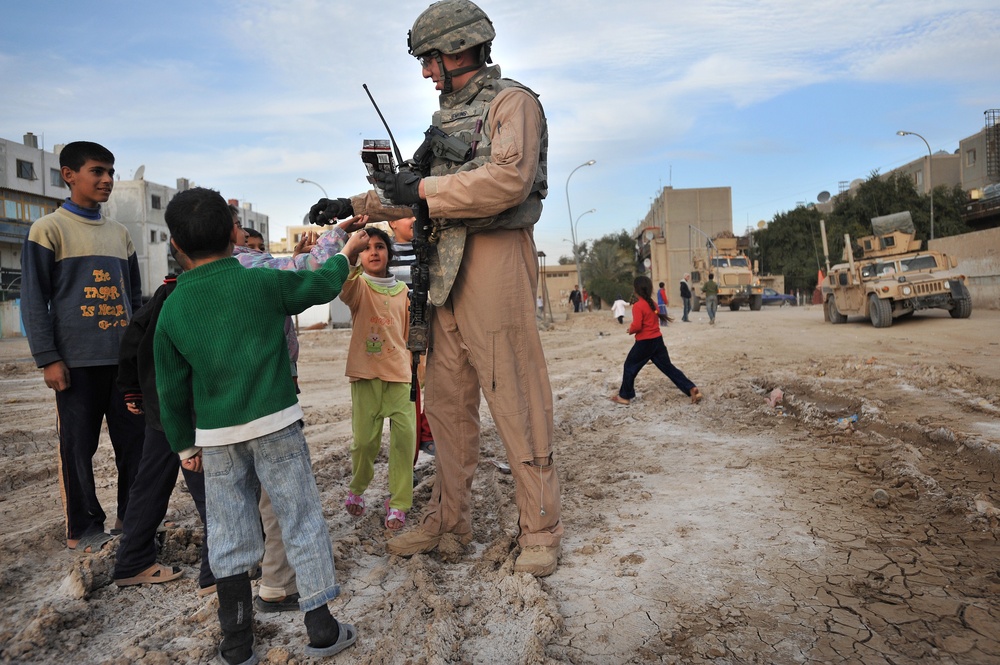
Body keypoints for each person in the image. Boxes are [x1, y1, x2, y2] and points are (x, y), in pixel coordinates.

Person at [310, 0, 563, 576]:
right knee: (446, 401)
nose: (426, 72)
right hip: (441, 261)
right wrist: (351, 205)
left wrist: (420, 189)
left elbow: (506, 180)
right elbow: (411, 184)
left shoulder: (512, 102)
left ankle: (541, 527)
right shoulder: (445, 118)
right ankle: (449, 521)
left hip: (494, 253)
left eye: (429, 59)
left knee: (515, 392)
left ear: (461, 48)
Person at [155, 187, 364, 663]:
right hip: (277, 423)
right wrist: (343, 256)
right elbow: (320, 285)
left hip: (217, 436)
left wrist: (184, 445)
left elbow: (170, 387)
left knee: (228, 532)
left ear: (175, 244)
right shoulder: (261, 281)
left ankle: (236, 643)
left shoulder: (173, 305)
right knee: (300, 518)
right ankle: (322, 629)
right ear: (233, 234)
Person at [20, 140, 144, 554]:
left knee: (134, 444)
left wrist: (140, 352)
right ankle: (84, 528)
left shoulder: (121, 234)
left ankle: (133, 518)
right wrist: (48, 358)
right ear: (69, 175)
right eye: (97, 171)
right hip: (75, 363)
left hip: (123, 363)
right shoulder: (48, 230)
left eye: (111, 172)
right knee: (78, 448)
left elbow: (137, 302)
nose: (107, 179)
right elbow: (35, 299)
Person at [113, 251, 212, 593]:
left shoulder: (166, 291)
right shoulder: (195, 293)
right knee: (212, 486)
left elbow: (133, 337)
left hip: (161, 407)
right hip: (196, 409)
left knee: (151, 481)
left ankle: (132, 560)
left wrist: (133, 391)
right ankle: (218, 572)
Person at [340, 227, 415, 530]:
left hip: (399, 375)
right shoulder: (357, 287)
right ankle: (357, 488)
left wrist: (417, 372)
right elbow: (341, 279)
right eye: (367, 247)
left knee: (404, 442)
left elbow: (410, 337)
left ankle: (398, 503)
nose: (374, 252)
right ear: (359, 255)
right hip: (365, 374)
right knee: (364, 442)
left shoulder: (405, 293)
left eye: (380, 246)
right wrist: (348, 246)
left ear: (389, 253)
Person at [610, 276, 703, 406]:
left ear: (636, 290)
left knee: (630, 366)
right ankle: (691, 388)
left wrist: (630, 330)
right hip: (657, 341)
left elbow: (637, 325)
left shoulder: (637, 306)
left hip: (644, 343)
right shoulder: (652, 304)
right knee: (668, 368)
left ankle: (625, 396)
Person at [387, 216, 436, 458]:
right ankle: (408, 455)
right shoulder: (383, 252)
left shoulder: (428, 248)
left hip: (426, 326)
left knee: (433, 381)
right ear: (391, 222)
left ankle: (426, 433)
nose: (413, 219)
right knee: (406, 390)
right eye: (405, 215)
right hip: (395, 332)